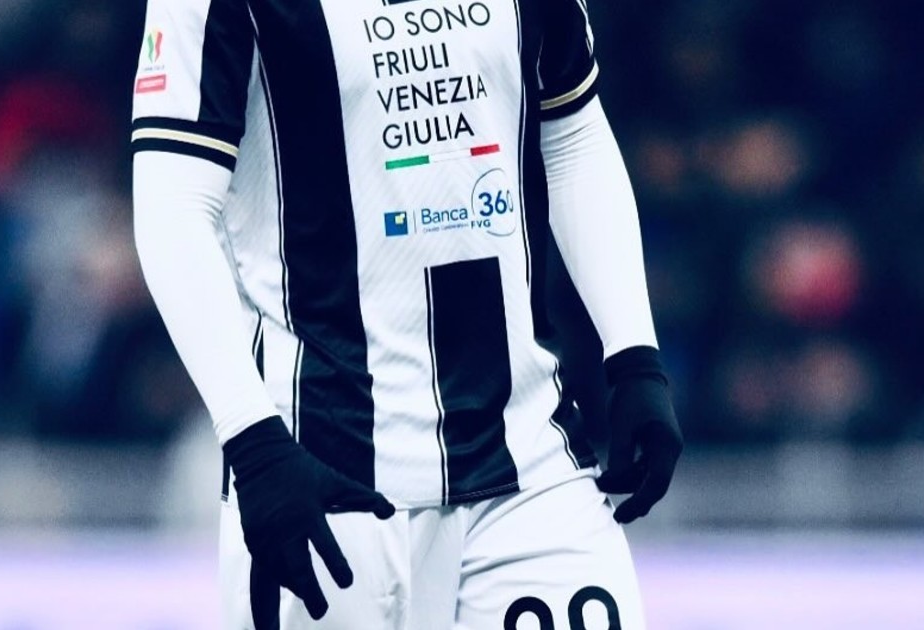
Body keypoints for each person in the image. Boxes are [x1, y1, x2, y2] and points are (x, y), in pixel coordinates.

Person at [131, 0, 682, 627]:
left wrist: (635, 357)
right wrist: (252, 439)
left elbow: (571, 129)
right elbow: (173, 203)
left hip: (529, 459)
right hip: (323, 479)